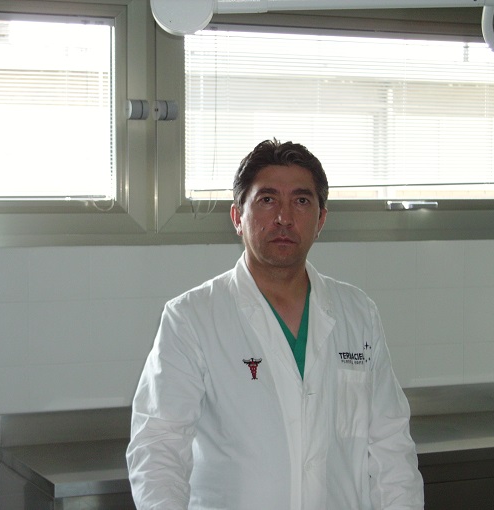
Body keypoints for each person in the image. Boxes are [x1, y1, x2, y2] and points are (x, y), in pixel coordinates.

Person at [126, 139, 424, 510]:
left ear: (321, 220)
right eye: (267, 200)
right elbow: (158, 448)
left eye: (301, 201)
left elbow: (390, 447)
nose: (284, 217)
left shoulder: (357, 313)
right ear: (238, 217)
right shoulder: (191, 317)